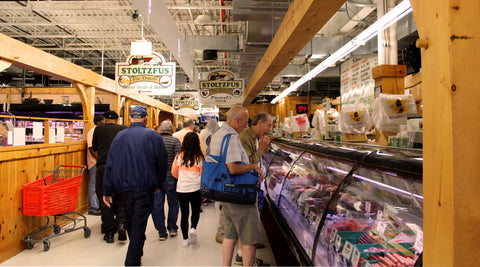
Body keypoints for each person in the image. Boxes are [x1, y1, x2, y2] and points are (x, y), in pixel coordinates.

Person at [103, 106, 168, 266]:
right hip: (145, 187)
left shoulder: (119, 137)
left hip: (123, 188)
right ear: (146, 118)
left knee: (133, 222)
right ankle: (132, 261)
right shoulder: (154, 136)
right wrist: (159, 184)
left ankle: (136, 252)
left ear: (130, 118)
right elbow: (162, 163)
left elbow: (109, 164)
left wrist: (107, 190)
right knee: (138, 224)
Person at [207, 105, 264, 266]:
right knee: (249, 239)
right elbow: (232, 168)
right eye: (245, 123)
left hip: (223, 190)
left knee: (230, 235)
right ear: (236, 120)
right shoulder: (231, 137)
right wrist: (253, 167)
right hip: (238, 193)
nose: (246, 126)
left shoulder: (217, 134)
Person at [234, 112, 273, 265]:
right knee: (247, 224)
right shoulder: (246, 137)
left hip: (251, 182)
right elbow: (247, 163)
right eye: (269, 125)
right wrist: (262, 148)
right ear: (260, 123)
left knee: (248, 223)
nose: (270, 129)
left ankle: (242, 253)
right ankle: (243, 257)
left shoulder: (255, 137)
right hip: (245, 185)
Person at [91, 110, 128, 243]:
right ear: (117, 120)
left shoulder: (98, 129)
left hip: (103, 167)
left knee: (104, 199)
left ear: (105, 119)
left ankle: (109, 233)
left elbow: (94, 147)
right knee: (121, 197)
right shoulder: (124, 129)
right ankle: (122, 224)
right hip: (121, 167)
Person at [171, 132, 204, 247]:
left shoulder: (179, 156)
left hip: (181, 189)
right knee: (195, 211)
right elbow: (202, 174)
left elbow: (174, 172)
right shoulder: (199, 157)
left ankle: (185, 239)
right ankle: (193, 228)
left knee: (184, 213)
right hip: (195, 188)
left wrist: (181, 178)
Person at [152, 120, 181, 240]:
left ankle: (161, 231)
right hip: (171, 178)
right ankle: (172, 228)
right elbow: (179, 159)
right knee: (173, 204)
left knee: (157, 205)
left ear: (160, 129)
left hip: (156, 179)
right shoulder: (175, 141)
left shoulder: (153, 140)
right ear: (171, 130)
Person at [86, 114, 104, 216]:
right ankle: (93, 207)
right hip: (94, 162)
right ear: (98, 122)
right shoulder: (92, 132)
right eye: (102, 121)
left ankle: (98, 205)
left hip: (98, 161)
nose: (104, 123)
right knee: (93, 184)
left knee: (98, 184)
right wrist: (99, 158)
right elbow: (91, 147)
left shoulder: (99, 131)